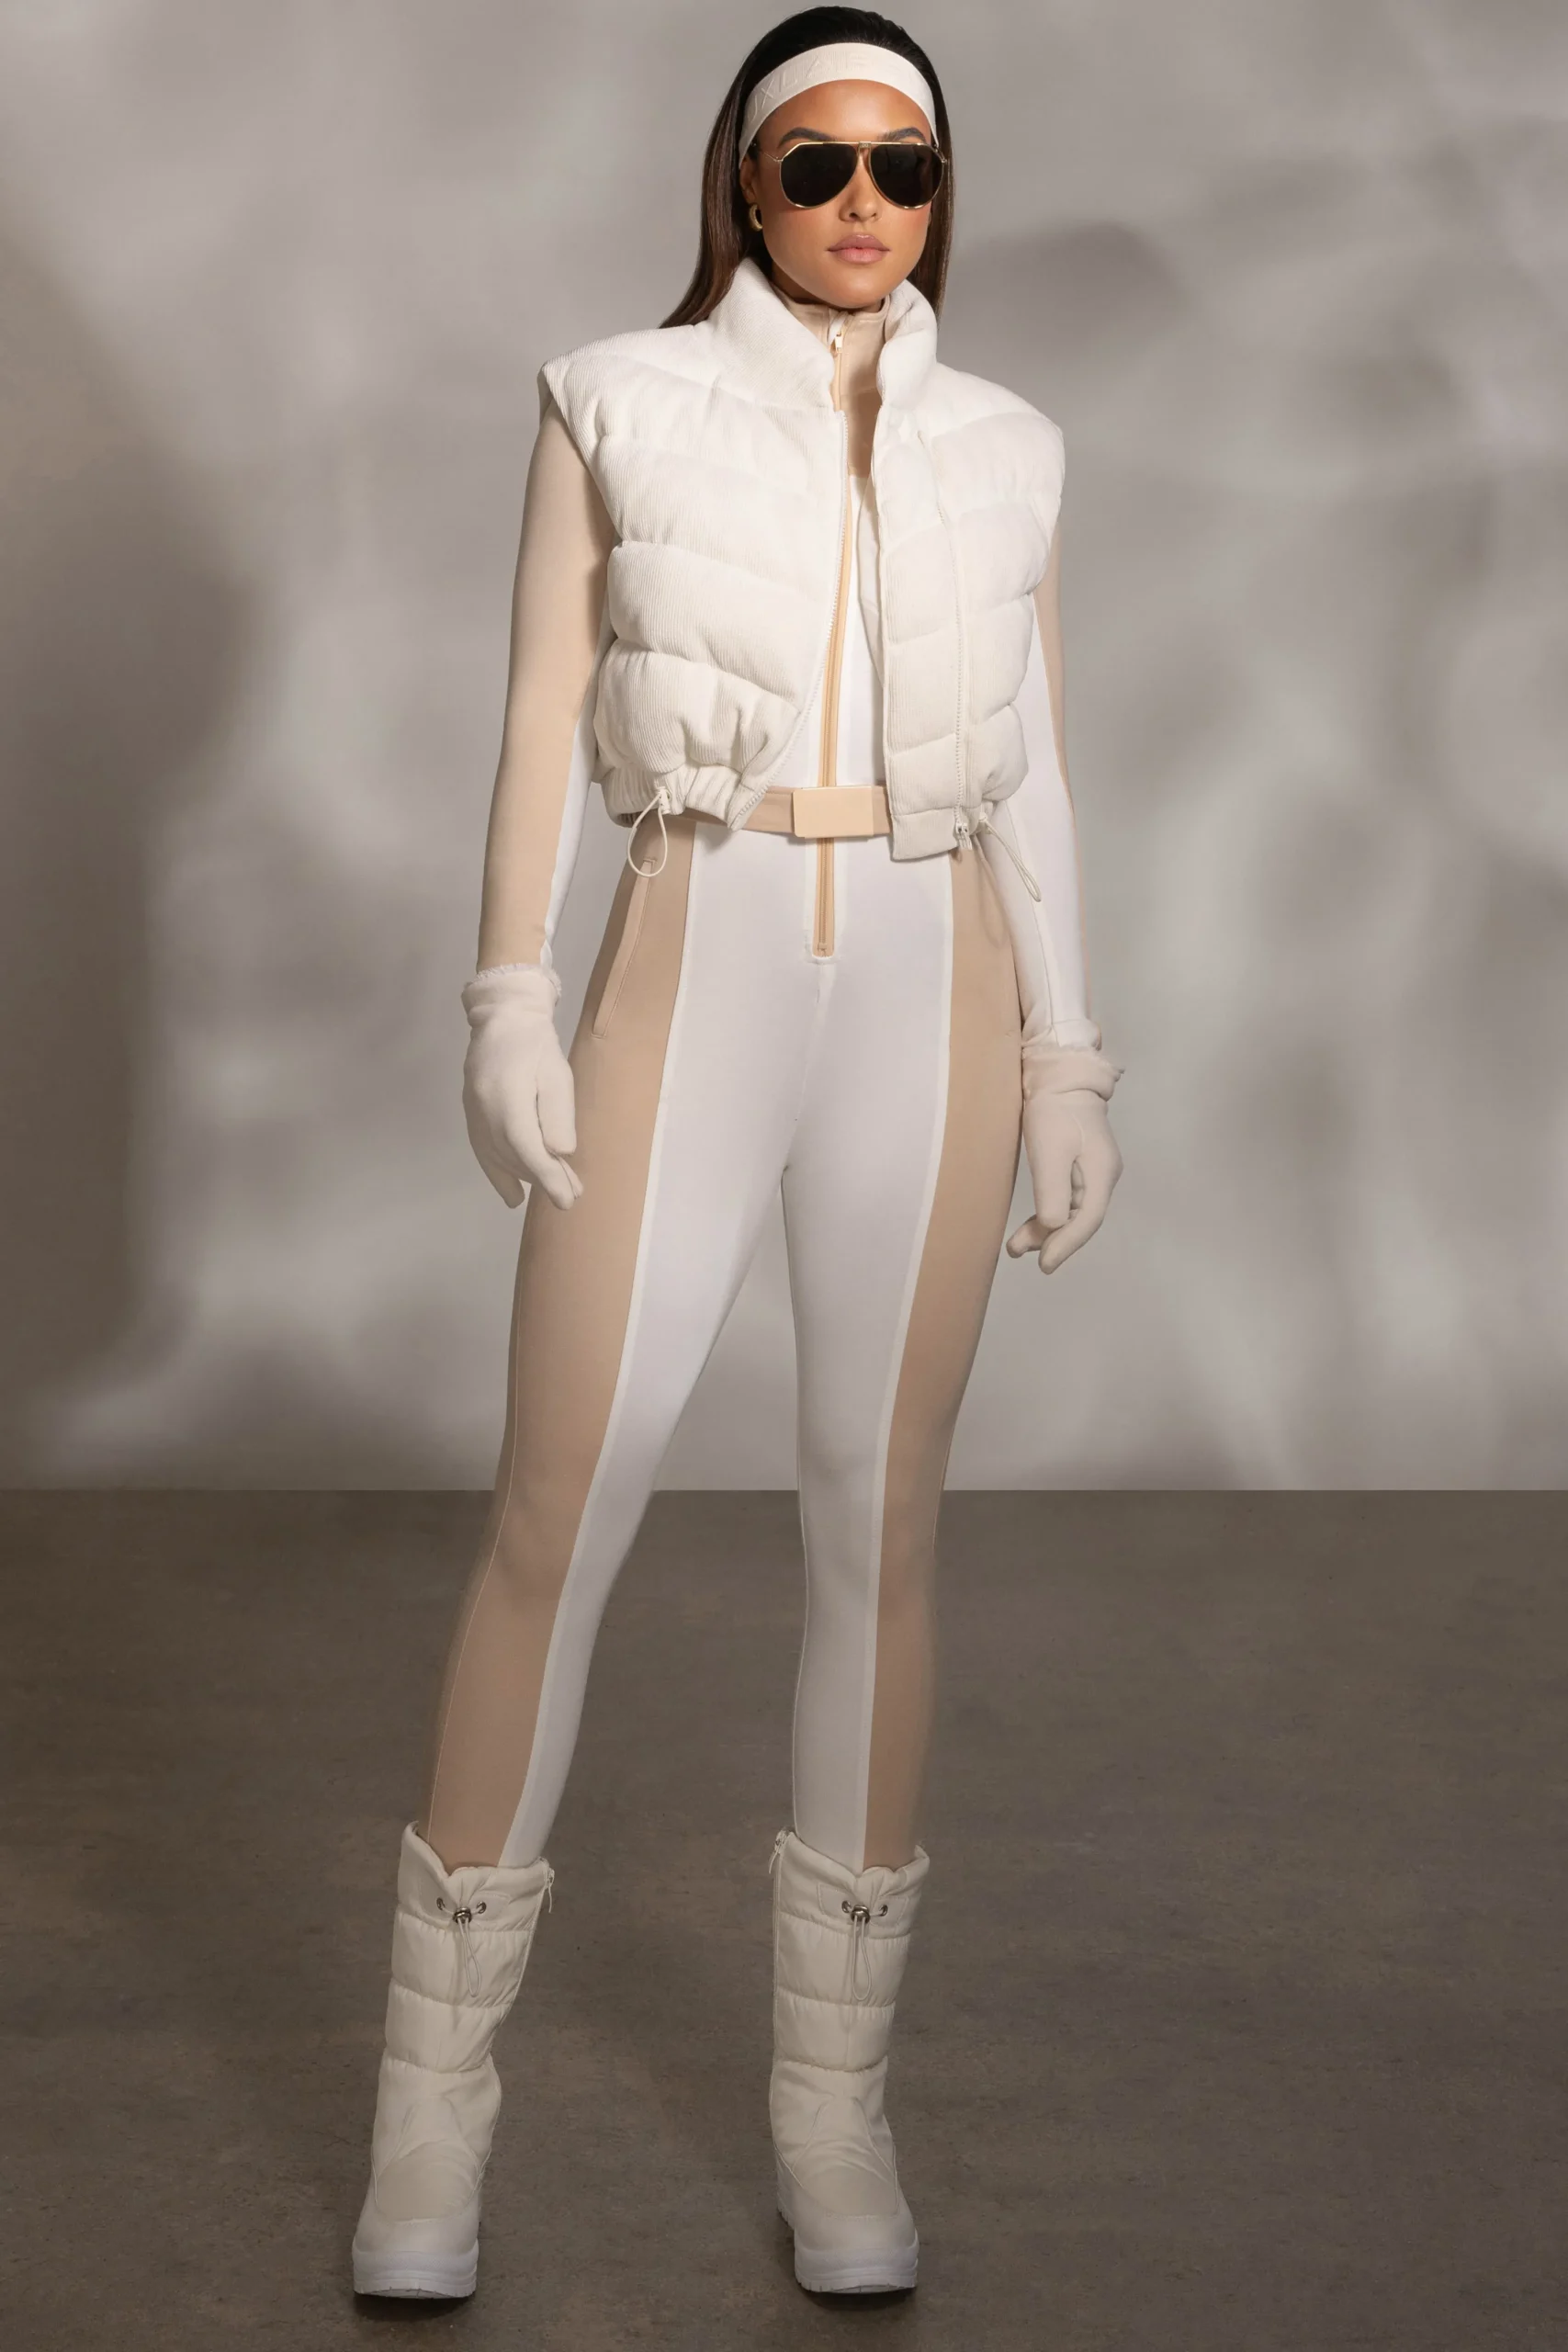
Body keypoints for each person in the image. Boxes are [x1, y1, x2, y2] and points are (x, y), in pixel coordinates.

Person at [352, 6, 1122, 2303]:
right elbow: (533, 707)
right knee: (555, 1511)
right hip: (693, 945)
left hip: (931, 974)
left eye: (905, 166)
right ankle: (429, 2114)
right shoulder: (616, 398)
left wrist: (1069, 1048)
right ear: (744, 185)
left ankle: (832, 2113)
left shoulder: (1010, 445)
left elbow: (1037, 758)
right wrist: (509, 993)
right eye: (818, 165)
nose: (864, 203)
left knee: (879, 1524)